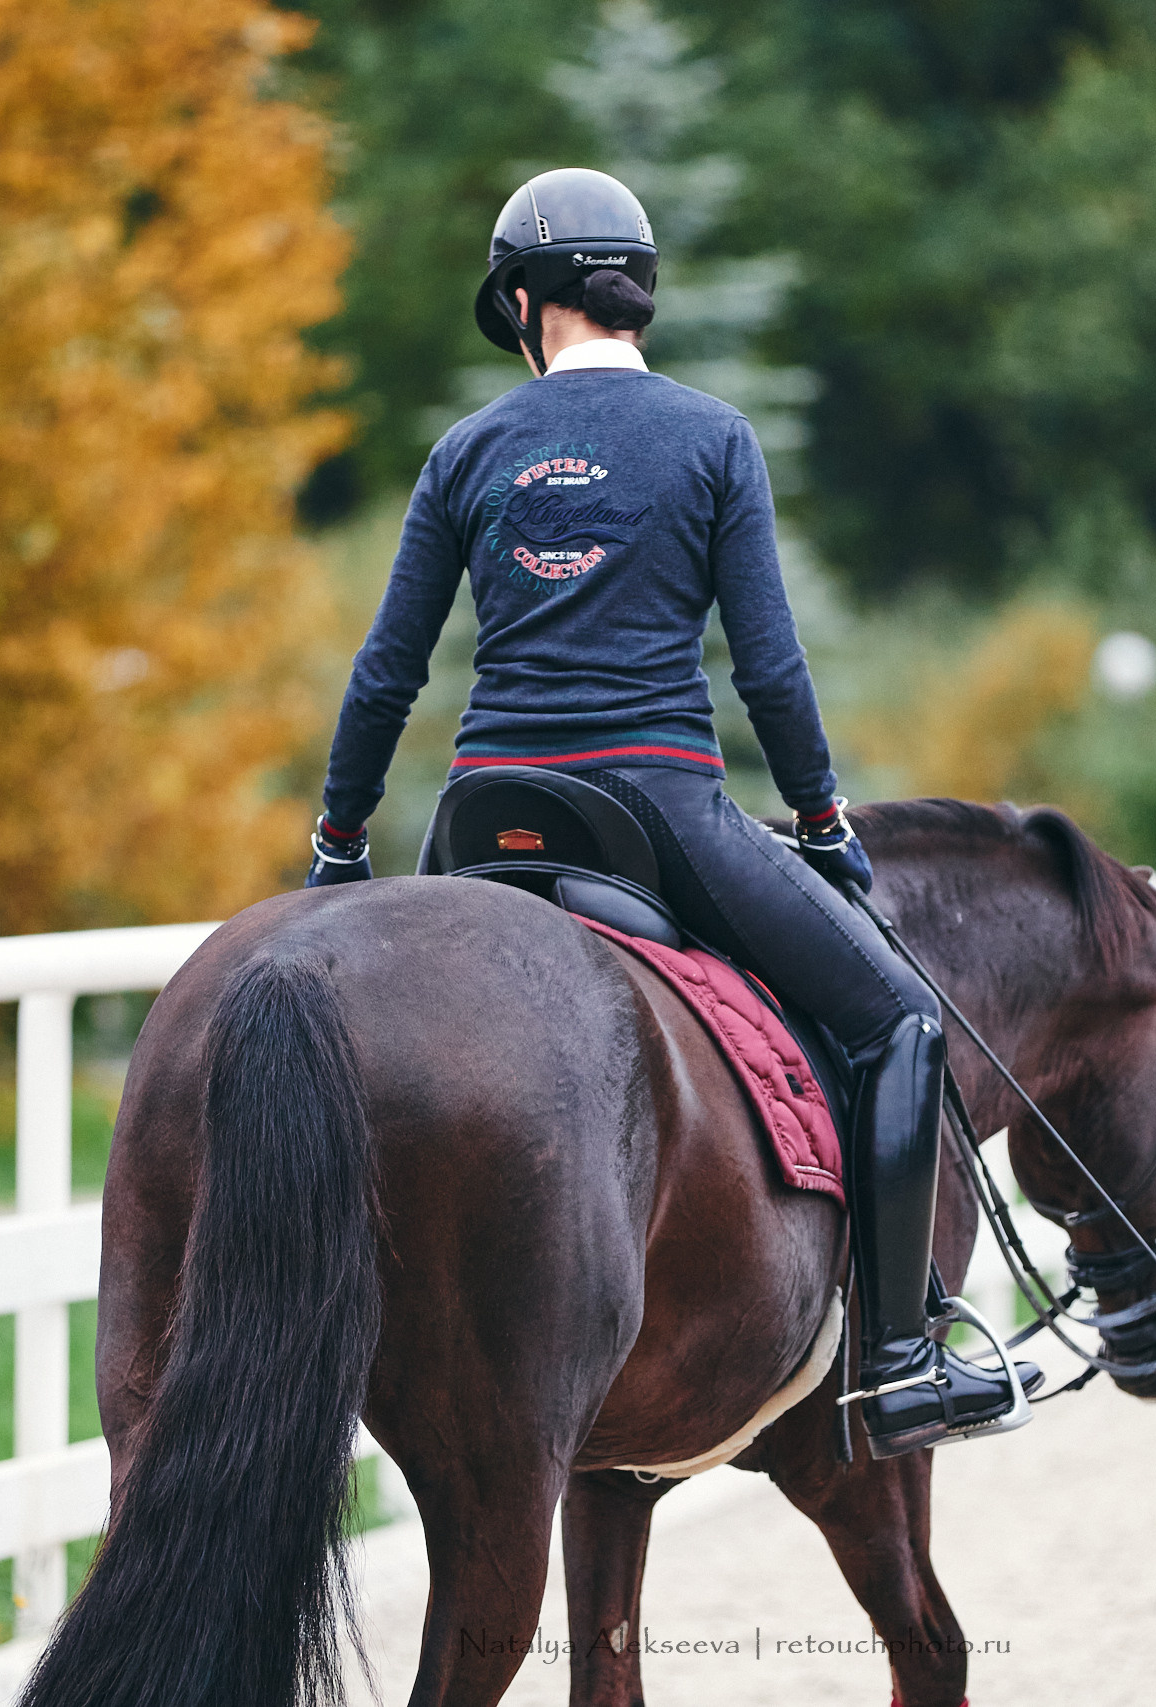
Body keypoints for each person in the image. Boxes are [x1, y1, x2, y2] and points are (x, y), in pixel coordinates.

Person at [307, 168, 1033, 1459]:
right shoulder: (712, 441)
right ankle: (907, 1353)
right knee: (903, 1021)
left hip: (481, 817)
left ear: (529, 304)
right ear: (634, 295)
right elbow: (769, 672)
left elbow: (387, 673)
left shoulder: (468, 453)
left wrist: (339, 849)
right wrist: (820, 820)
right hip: (657, 810)